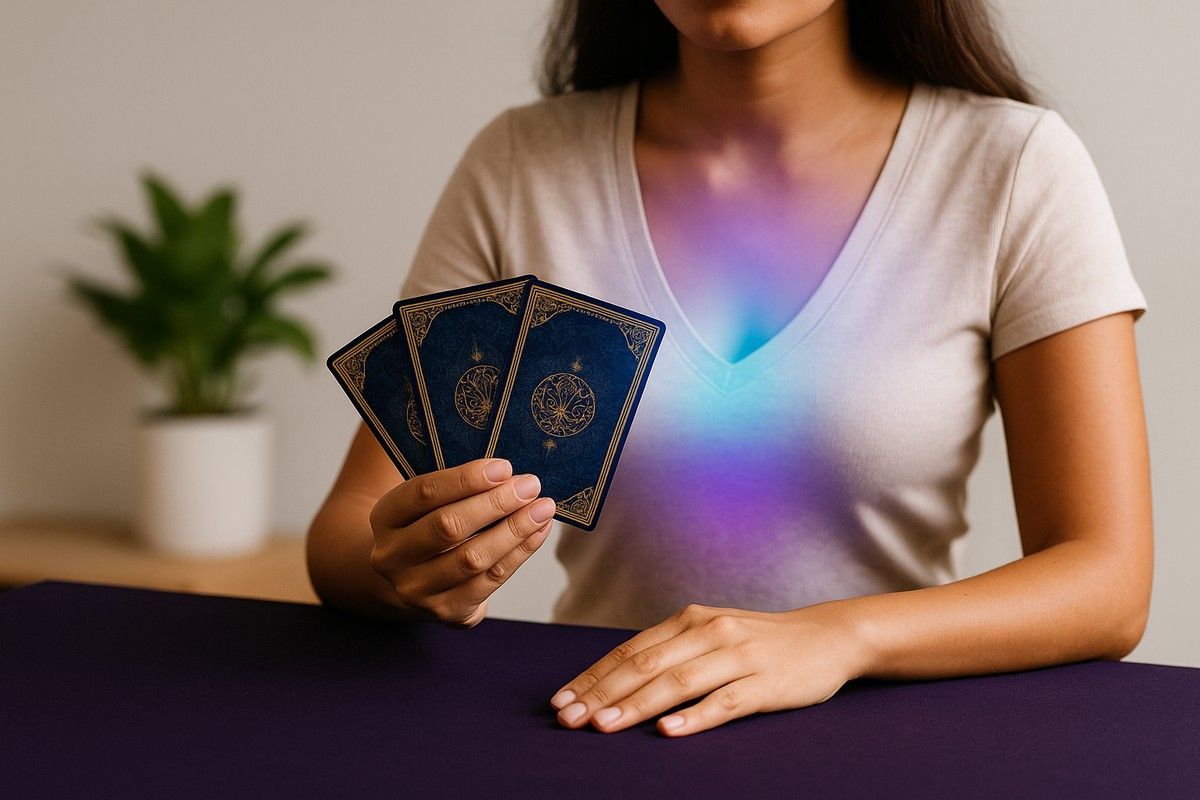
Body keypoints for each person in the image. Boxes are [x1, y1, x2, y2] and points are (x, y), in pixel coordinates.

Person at [307, 0, 1152, 738]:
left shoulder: (1012, 167)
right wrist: (403, 570)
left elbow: (1108, 580)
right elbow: (348, 529)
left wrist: (838, 637)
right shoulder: (522, 166)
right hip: (598, 726)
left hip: (881, 735)